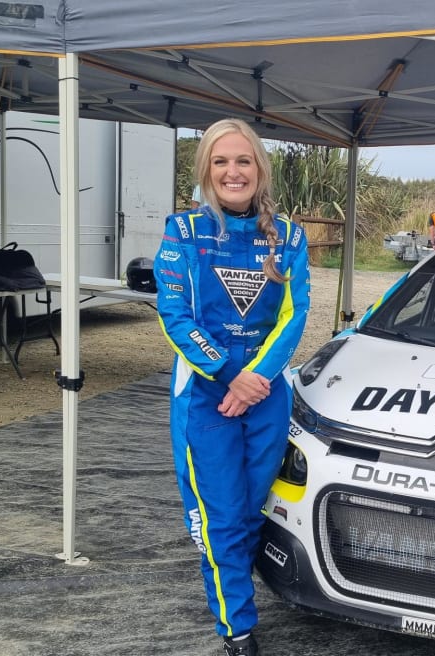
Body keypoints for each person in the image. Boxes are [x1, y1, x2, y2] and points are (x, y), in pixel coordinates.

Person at [154, 118, 311, 656]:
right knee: (220, 517)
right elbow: (174, 314)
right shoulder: (183, 232)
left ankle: (234, 596)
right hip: (205, 397)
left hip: (266, 398)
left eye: (243, 160)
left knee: (249, 512)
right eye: (220, 162)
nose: (233, 171)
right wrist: (228, 374)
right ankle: (238, 631)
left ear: (259, 169)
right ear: (206, 171)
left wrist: (256, 381)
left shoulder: (288, 237)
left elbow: (295, 315)